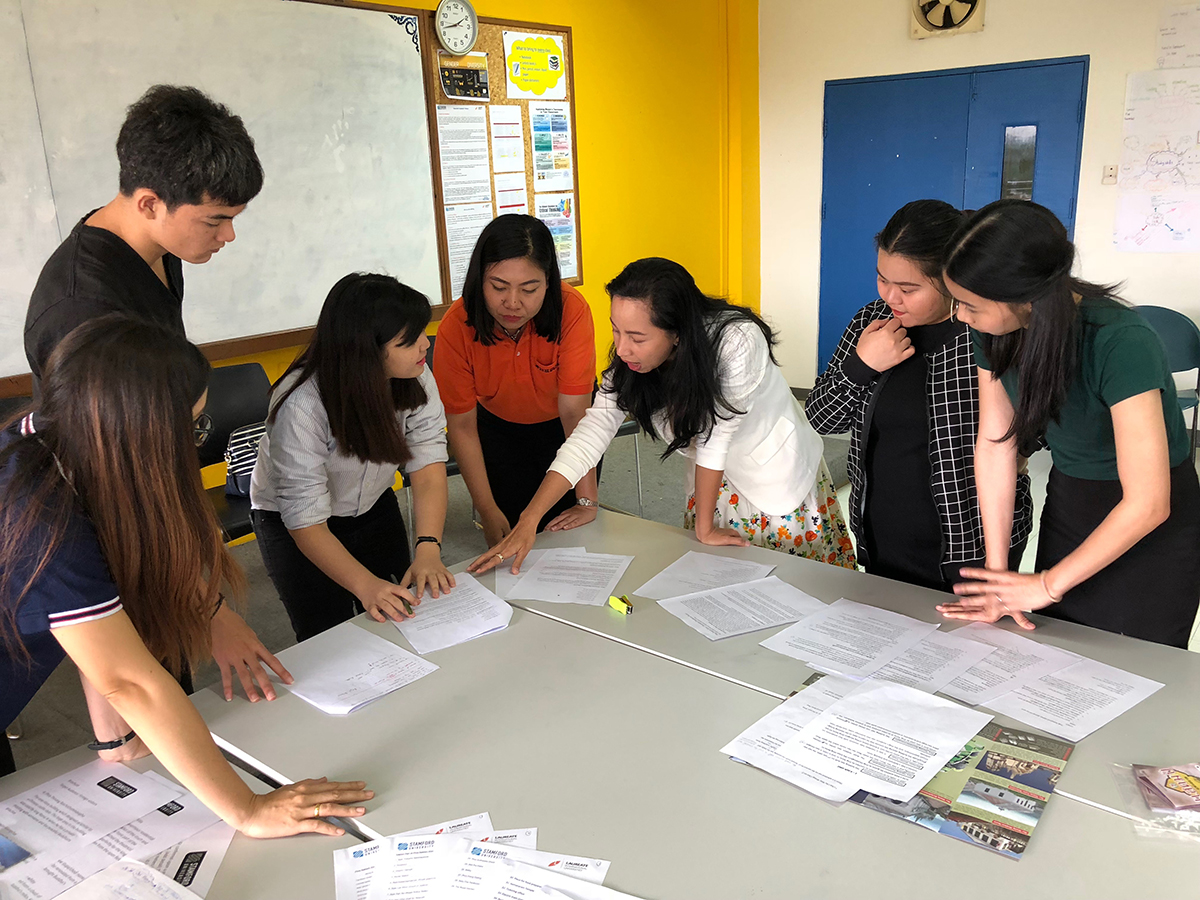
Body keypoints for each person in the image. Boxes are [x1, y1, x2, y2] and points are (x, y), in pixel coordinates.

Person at [0, 316, 371, 835]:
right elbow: (128, 680)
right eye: (192, 428)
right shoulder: (43, 518)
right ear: (138, 431)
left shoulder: (54, 438)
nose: (194, 445)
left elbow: (93, 619)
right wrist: (249, 809)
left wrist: (116, 741)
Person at [468, 257, 856, 576]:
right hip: (712, 482)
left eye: (637, 337)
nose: (622, 349)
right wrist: (529, 520)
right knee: (721, 583)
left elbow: (715, 436)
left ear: (677, 332)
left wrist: (704, 527)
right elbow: (589, 434)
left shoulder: (737, 341)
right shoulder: (632, 365)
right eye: (616, 331)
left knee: (797, 585)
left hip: (772, 474)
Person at [937, 199, 1200, 647]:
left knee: (1134, 661)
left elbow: (1149, 503)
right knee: (1058, 652)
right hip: (1072, 500)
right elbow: (997, 444)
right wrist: (998, 578)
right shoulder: (996, 330)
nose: (960, 315)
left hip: (1151, 524)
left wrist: (1046, 584)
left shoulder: (1120, 340)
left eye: (969, 305)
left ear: (1025, 297)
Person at [807, 200, 1033, 591]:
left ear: (952, 278)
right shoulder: (871, 323)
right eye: (882, 279)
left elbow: (1038, 427)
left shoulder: (989, 330)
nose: (891, 297)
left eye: (909, 288)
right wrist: (860, 367)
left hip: (973, 544)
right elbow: (820, 419)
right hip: (882, 534)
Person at [251, 274, 453, 643]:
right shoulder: (301, 404)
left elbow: (427, 463)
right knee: (326, 634)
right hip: (295, 524)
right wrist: (364, 584)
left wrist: (428, 546)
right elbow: (304, 518)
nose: (426, 344)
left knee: (401, 614)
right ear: (366, 349)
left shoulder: (414, 374)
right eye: (409, 340)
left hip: (373, 505)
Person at [24, 84, 263, 387]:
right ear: (150, 205)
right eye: (214, 221)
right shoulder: (80, 310)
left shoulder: (161, 245)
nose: (228, 235)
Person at [432, 215, 598, 546]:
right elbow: (462, 427)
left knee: (567, 534)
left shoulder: (572, 309)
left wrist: (586, 501)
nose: (512, 302)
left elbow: (574, 415)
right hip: (498, 431)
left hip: (564, 431)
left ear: (548, 282)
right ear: (479, 280)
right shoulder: (456, 326)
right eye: (498, 287)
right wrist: (486, 509)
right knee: (509, 531)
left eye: (529, 289)